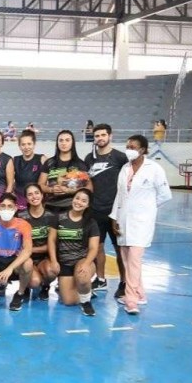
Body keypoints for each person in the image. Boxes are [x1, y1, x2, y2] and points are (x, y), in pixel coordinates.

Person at [110, 135, 172, 315]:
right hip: (123, 222)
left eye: (133, 146)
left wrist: (146, 209)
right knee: (128, 261)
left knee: (135, 260)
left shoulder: (154, 169)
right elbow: (120, 196)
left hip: (142, 223)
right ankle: (141, 293)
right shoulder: (124, 169)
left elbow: (165, 195)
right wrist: (114, 217)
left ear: (143, 150)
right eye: (127, 146)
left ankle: (131, 300)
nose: (129, 149)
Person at [85, 123, 129, 297]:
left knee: (120, 249)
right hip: (95, 210)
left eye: (103, 135)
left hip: (116, 212)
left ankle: (124, 282)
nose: (100, 138)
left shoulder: (120, 157)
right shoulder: (89, 158)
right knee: (98, 247)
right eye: (97, 136)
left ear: (110, 136)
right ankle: (101, 279)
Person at [48, 189, 100, 316]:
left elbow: (94, 248)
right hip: (65, 263)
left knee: (82, 276)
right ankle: (86, 290)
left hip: (82, 259)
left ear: (88, 205)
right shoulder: (59, 217)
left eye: (83, 201)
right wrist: (54, 261)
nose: (79, 202)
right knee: (68, 301)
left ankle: (86, 301)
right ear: (73, 199)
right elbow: (51, 240)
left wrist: (87, 263)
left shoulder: (91, 222)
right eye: (77, 198)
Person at [18, 184, 59, 301]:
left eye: (36, 193)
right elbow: (18, 243)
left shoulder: (52, 216)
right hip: (27, 259)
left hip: (44, 258)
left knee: (52, 271)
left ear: (42, 195)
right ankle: (26, 285)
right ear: (26, 198)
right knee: (34, 282)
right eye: (30, 194)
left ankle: (45, 286)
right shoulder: (21, 216)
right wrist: (27, 252)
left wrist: (31, 250)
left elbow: (51, 245)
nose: (34, 196)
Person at [39, 130, 92, 213]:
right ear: (57, 143)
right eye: (61, 140)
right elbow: (40, 185)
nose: (64, 143)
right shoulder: (49, 162)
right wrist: (51, 189)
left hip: (72, 207)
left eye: (67, 140)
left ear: (72, 143)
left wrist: (71, 190)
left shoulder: (80, 164)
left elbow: (89, 188)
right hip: (51, 207)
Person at [13, 129, 46, 210]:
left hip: (36, 202)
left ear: (34, 144)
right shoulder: (15, 160)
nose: (26, 147)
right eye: (23, 144)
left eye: (29, 144)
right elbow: (10, 182)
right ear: (19, 146)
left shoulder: (42, 159)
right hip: (19, 203)